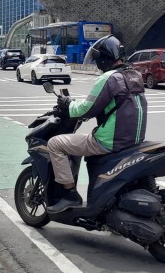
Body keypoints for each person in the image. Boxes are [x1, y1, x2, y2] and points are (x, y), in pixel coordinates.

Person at [46, 35, 148, 213]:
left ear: (103, 58)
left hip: (109, 141)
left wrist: (68, 105)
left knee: (55, 144)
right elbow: (118, 104)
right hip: (134, 141)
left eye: (98, 60)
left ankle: (69, 194)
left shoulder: (109, 78)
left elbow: (86, 109)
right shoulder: (134, 75)